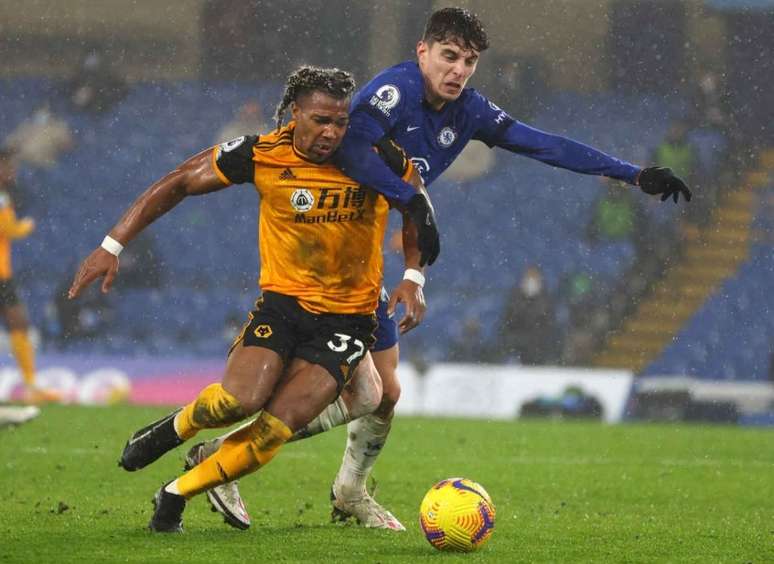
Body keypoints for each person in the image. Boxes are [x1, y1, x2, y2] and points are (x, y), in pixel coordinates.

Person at [198, 6, 692, 531]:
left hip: (364, 265)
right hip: (316, 256)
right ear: (423, 52)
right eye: (449, 57)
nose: (458, 70)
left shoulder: (469, 110)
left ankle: (348, 491)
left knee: (384, 395)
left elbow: (546, 145)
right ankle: (224, 457)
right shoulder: (392, 93)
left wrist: (633, 175)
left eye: (469, 61)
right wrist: (411, 199)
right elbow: (348, 153)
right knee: (333, 391)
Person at [68, 66, 427, 533]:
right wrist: (112, 245)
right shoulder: (262, 153)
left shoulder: (375, 154)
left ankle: (175, 494)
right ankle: (173, 429)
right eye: (320, 120)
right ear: (294, 114)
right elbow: (180, 181)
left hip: (346, 321)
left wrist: (414, 275)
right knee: (240, 400)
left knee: (278, 426)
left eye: (339, 122)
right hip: (283, 305)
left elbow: (416, 204)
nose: (331, 132)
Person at [0, 150, 59, 403]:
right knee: (19, 322)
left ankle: (30, 385)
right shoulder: (2, 197)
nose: (13, 172)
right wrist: (28, 225)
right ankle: (30, 385)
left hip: (4, 274)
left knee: (19, 323)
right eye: (9, 167)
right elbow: (8, 229)